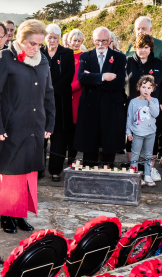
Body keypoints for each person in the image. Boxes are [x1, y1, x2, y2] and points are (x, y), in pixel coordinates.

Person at [0, 19, 54, 233]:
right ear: (20, 39)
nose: (36, 49)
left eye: (39, 44)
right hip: (10, 127)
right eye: (32, 44)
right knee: (10, 174)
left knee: (27, 172)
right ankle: (6, 217)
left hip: (35, 126)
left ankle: (20, 215)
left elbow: (48, 93)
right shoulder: (4, 58)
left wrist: (50, 122)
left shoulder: (43, 61)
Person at [73, 27, 127, 167]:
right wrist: (104, 77)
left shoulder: (119, 58)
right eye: (98, 41)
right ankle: (88, 172)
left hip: (110, 106)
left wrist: (93, 80)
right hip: (90, 106)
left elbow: (119, 82)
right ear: (92, 40)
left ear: (110, 40)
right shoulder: (85, 56)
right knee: (89, 143)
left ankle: (108, 172)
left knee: (110, 143)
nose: (101, 44)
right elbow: (82, 78)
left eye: (104, 41)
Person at [126, 33, 162, 179]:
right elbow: (121, 84)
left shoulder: (159, 64)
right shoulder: (127, 62)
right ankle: (133, 169)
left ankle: (149, 171)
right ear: (135, 48)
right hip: (133, 110)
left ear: (151, 48)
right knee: (131, 139)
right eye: (140, 47)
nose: (143, 50)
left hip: (152, 111)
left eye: (146, 47)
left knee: (151, 140)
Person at [40, 23, 74, 181]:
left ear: (59, 38)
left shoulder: (66, 54)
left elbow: (68, 77)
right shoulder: (39, 52)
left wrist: (51, 90)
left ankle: (55, 170)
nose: (52, 40)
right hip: (40, 101)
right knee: (40, 135)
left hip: (60, 102)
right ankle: (39, 168)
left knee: (59, 137)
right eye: (49, 37)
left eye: (55, 37)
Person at [126, 75, 160, 186]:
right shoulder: (133, 102)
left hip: (150, 133)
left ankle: (148, 175)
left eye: (149, 88)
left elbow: (155, 114)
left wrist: (150, 101)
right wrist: (128, 132)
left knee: (148, 155)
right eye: (144, 87)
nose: (146, 90)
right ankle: (134, 175)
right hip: (137, 133)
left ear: (153, 89)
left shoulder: (154, 101)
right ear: (138, 87)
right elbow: (129, 118)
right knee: (135, 154)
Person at [67, 29, 85, 165]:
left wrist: (70, 88)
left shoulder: (84, 57)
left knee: (74, 129)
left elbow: (83, 78)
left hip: (77, 96)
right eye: (74, 40)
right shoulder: (65, 54)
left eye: (79, 41)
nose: (76, 43)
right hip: (65, 95)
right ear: (70, 41)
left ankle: (72, 158)